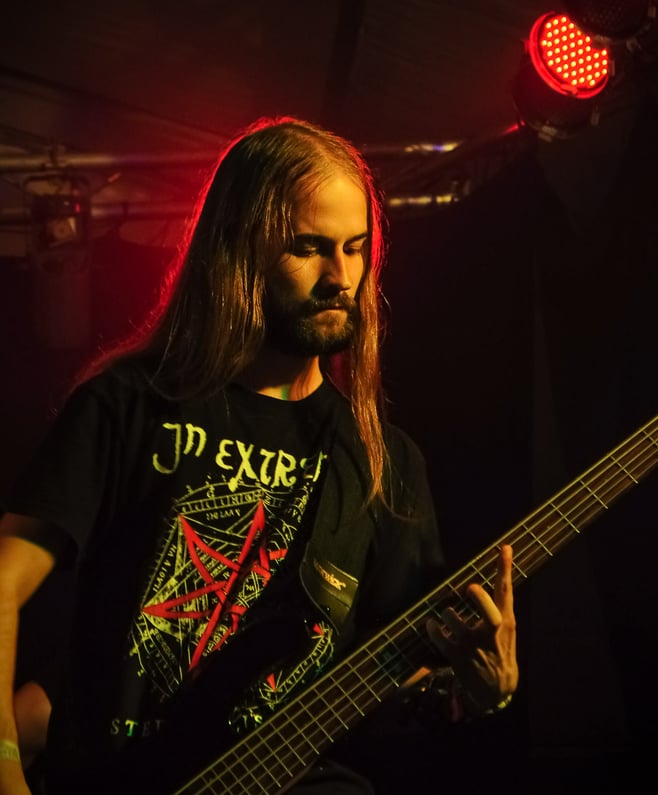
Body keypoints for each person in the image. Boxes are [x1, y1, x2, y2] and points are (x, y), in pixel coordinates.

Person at [0, 116, 518, 795]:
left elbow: (401, 691)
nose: (342, 277)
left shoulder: (382, 460)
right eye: (310, 247)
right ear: (239, 250)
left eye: (356, 249)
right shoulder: (127, 404)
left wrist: (481, 692)